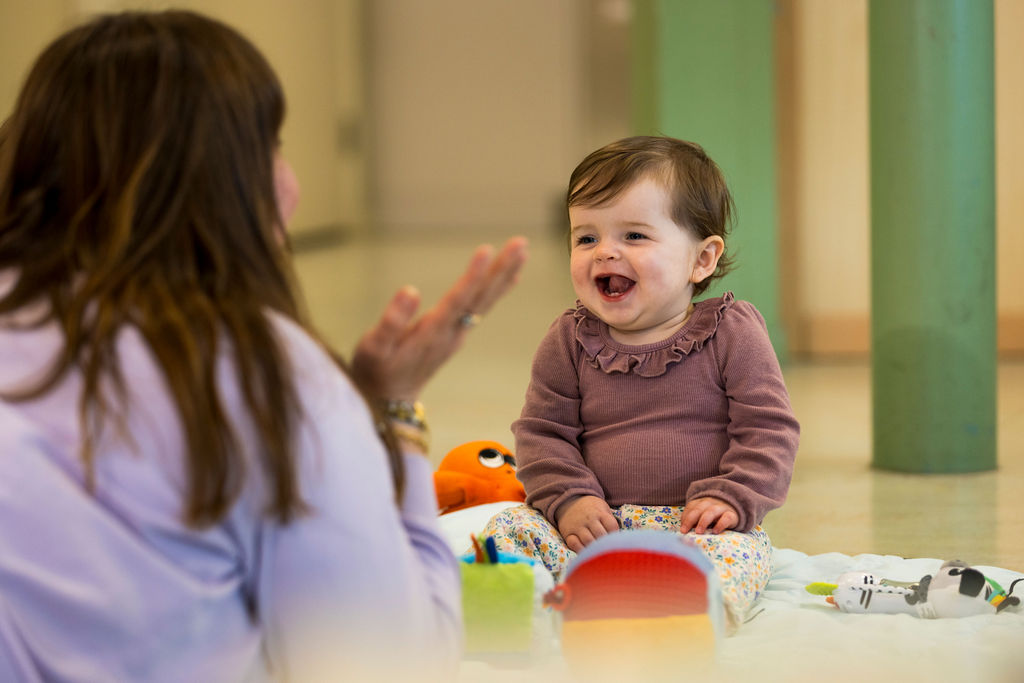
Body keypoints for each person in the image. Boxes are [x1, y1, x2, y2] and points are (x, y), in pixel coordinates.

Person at [0, 10, 527, 682]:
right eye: (271, 147)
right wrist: (391, 419)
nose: (293, 186)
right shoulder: (260, 371)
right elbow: (388, 661)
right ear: (212, 179)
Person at [482, 135, 799, 628]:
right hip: (595, 525)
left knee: (739, 554)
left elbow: (769, 429)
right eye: (586, 237)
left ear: (703, 259)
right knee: (508, 527)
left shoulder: (732, 331)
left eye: (634, 236)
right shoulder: (568, 339)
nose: (604, 252)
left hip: (696, 526)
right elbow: (543, 434)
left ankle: (682, 615)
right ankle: (535, 609)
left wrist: (732, 497)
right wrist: (570, 500)